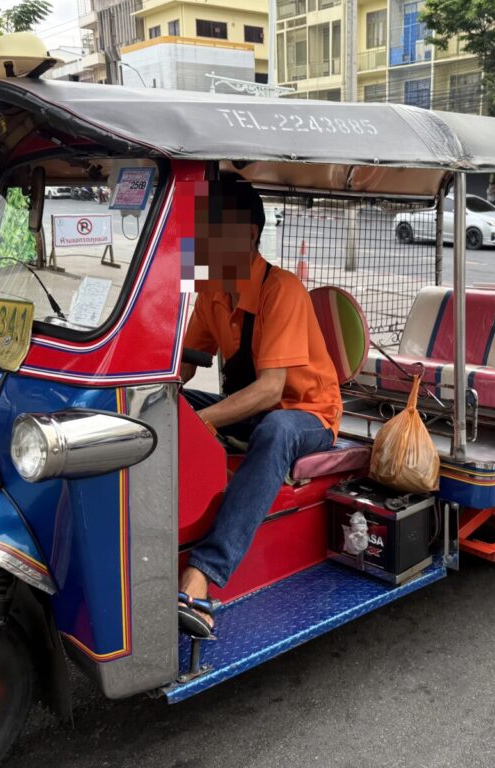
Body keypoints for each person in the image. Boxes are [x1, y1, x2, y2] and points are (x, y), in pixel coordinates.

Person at [177, 176, 342, 637]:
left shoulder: (281, 289)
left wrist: (202, 422)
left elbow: (273, 391)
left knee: (275, 429)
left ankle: (205, 573)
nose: (198, 242)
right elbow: (184, 368)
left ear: (248, 235)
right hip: (252, 408)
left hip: (307, 415)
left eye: (209, 231)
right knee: (167, 404)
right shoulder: (211, 288)